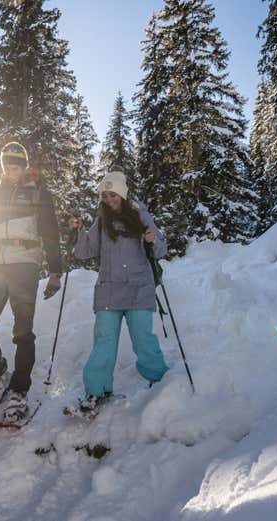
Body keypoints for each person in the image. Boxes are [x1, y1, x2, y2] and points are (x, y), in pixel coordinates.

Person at [0, 142, 63, 422]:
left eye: (15, 165)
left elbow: (50, 233)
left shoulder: (38, 193)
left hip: (25, 262)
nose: (10, 170)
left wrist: (56, 271)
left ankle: (19, 391)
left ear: (24, 166)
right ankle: (0, 374)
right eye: (6, 166)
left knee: (22, 331)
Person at [71, 168, 168, 413]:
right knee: (104, 343)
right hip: (109, 291)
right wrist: (77, 231)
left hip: (138, 288)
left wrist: (151, 240)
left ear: (123, 194)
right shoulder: (101, 222)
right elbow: (83, 252)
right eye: (105, 196)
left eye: (113, 194)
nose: (109, 200)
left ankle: (162, 384)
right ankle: (96, 392)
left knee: (143, 340)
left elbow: (160, 250)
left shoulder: (140, 216)